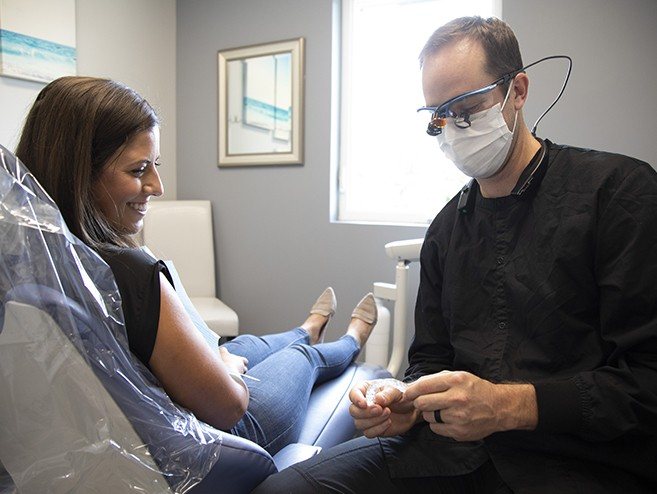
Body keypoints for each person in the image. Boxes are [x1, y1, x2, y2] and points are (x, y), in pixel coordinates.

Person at [253, 15, 657, 493]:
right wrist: (405, 402)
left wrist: (511, 405)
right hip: (452, 451)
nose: (453, 128)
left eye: (466, 106)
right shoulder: (448, 229)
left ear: (518, 91)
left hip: (580, 459)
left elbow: (647, 380)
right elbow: (431, 358)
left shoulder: (618, 195)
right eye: (438, 117)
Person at [15, 75, 378, 456]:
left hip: (130, 433)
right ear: (79, 173)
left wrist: (223, 357)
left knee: (245, 344)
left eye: (155, 165)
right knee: (299, 359)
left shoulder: (32, 259)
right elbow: (229, 407)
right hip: (223, 437)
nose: (157, 186)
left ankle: (307, 327)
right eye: (138, 170)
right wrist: (224, 368)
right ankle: (350, 339)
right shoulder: (129, 273)